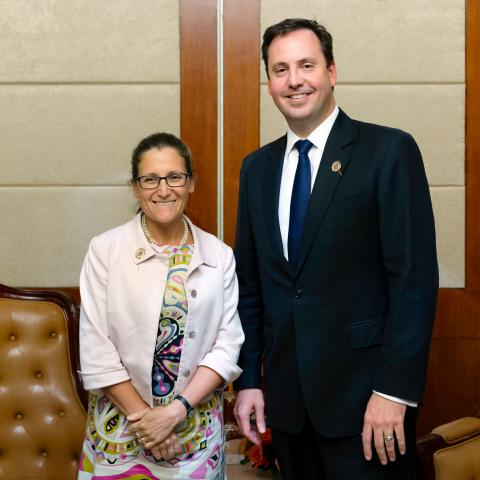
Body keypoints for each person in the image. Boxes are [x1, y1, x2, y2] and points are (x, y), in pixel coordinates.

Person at [233, 18, 438, 479]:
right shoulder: (256, 170)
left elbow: (414, 283)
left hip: (368, 406)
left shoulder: (387, 151)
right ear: (269, 82)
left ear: (331, 72)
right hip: (287, 410)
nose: (294, 80)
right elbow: (250, 286)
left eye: (306, 65)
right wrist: (249, 380)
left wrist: (393, 392)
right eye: (280, 69)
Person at [77, 132, 244, 479]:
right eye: (150, 179)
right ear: (135, 188)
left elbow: (227, 346)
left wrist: (174, 413)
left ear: (191, 182)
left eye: (174, 177)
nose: (163, 189)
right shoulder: (105, 250)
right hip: (120, 431)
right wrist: (146, 423)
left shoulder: (219, 255)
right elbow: (97, 348)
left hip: (194, 433)